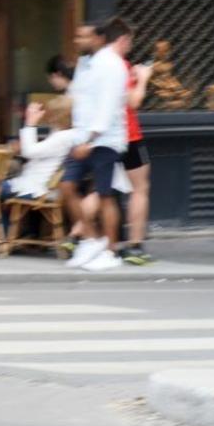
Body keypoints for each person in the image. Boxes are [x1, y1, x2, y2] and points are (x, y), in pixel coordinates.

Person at [61, 19, 130, 272]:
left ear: (99, 38)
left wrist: (90, 141)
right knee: (67, 186)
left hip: (104, 140)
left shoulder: (112, 65)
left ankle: (111, 251)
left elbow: (108, 107)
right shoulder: (84, 64)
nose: (78, 41)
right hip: (81, 137)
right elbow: (77, 98)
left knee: (105, 195)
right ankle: (91, 240)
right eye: (77, 36)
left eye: (83, 37)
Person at [118, 27, 154, 265]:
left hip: (106, 136)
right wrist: (143, 79)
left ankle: (81, 236)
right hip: (129, 136)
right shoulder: (122, 66)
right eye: (130, 40)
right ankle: (135, 246)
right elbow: (134, 100)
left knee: (101, 189)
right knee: (140, 189)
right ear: (123, 39)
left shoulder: (99, 65)